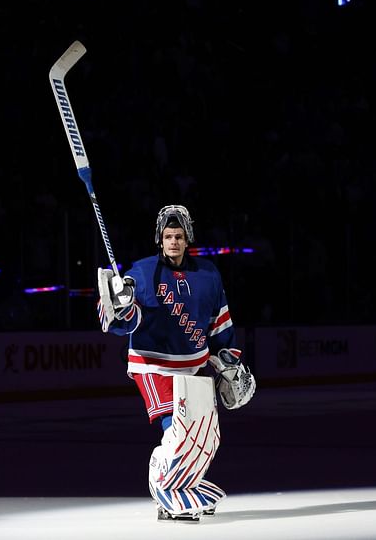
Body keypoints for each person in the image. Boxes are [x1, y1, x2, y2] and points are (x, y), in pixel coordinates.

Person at [96, 204, 256, 522]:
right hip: (152, 365)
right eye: (168, 236)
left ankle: (188, 482)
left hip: (192, 366)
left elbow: (219, 324)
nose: (173, 242)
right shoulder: (141, 273)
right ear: (160, 238)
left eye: (179, 236)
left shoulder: (208, 274)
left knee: (208, 434)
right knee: (178, 428)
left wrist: (228, 360)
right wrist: (120, 305)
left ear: (188, 238)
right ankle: (165, 487)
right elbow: (122, 324)